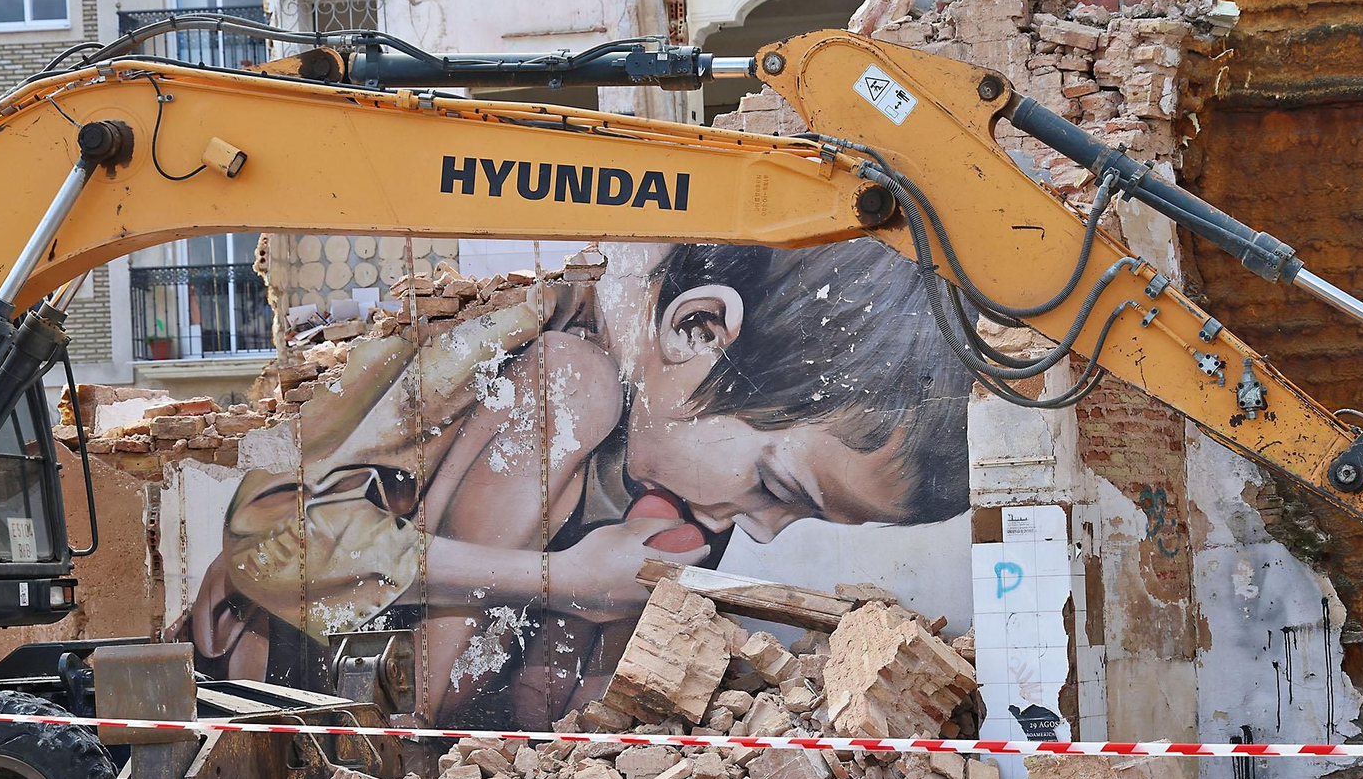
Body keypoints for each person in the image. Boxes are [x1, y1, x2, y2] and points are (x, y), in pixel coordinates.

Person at [181, 238, 975, 728]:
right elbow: (269, 548)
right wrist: (562, 580)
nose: (764, 527)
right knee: (578, 385)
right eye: (776, 484)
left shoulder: (684, 487)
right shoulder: (539, 348)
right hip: (276, 660)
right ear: (697, 330)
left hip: (462, 700)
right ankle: (413, 736)